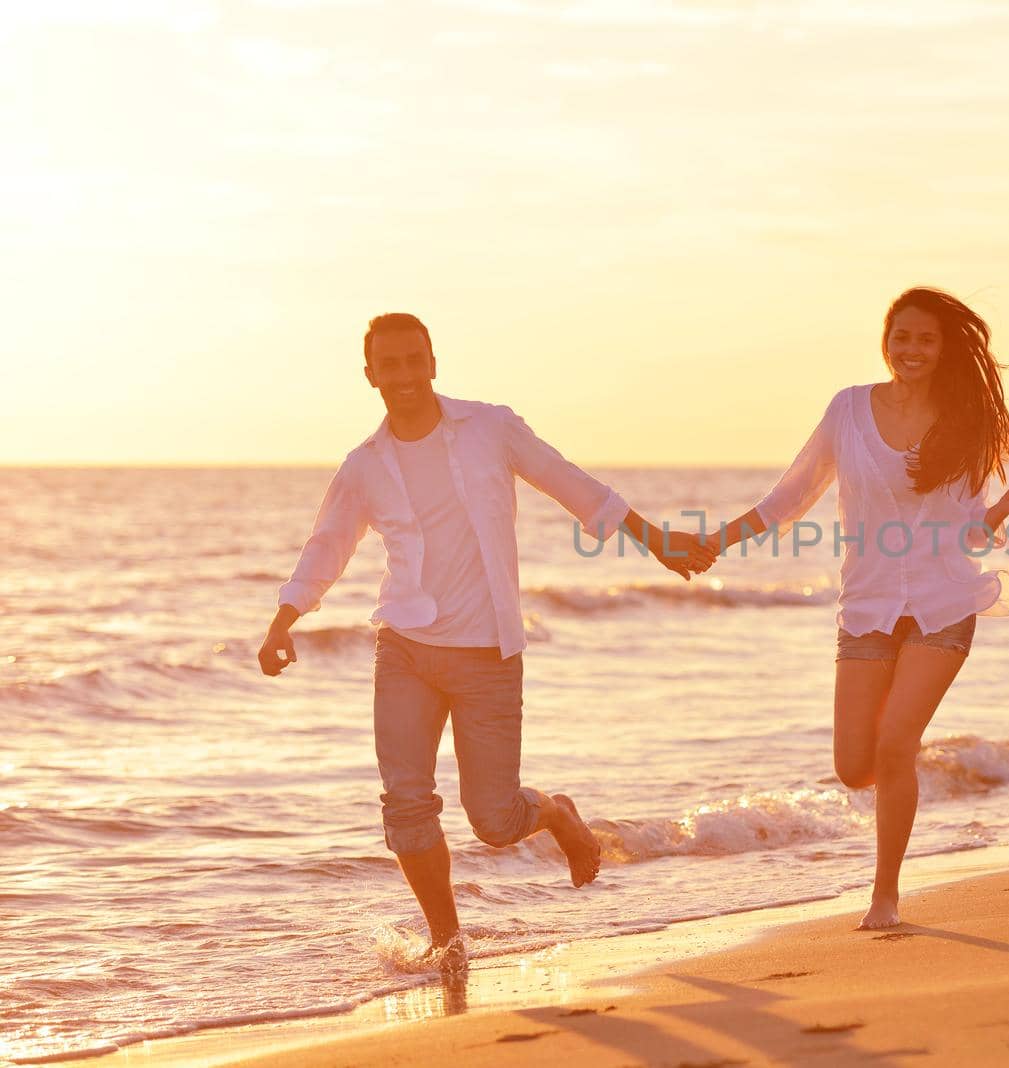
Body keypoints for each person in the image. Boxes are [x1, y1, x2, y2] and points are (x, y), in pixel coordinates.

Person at [256, 312, 715, 970]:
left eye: (416, 360)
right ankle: (448, 941)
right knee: (406, 804)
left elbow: (573, 485)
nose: (405, 375)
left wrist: (659, 541)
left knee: (493, 820)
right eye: (391, 365)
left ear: (434, 362)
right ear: (370, 376)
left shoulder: (491, 430)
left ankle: (556, 814)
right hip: (405, 650)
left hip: (487, 654)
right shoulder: (365, 466)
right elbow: (327, 544)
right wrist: (285, 617)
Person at [713, 287, 1009, 929]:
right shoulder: (847, 411)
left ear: (944, 347)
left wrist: (1001, 512)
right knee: (853, 766)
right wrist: (715, 541)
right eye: (902, 337)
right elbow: (789, 498)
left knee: (896, 745)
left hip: (943, 602)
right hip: (865, 606)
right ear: (885, 341)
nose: (912, 349)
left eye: (926, 339)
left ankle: (885, 896)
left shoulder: (965, 422)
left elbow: (969, 533)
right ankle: (901, 790)